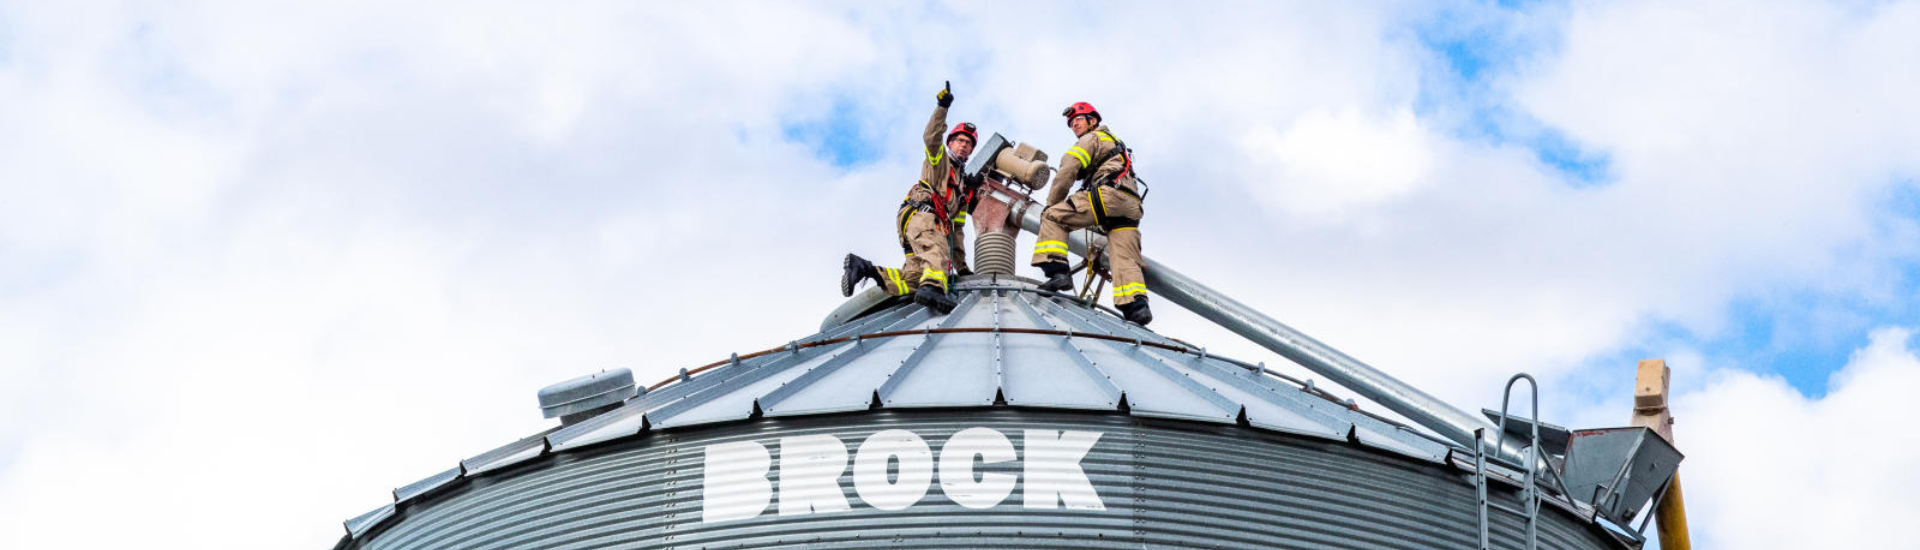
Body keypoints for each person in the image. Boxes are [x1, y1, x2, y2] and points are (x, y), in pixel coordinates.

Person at [840, 82, 980, 314]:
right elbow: (931, 137)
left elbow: (957, 231)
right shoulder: (940, 160)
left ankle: (864, 269)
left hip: (922, 222)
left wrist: (962, 268)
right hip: (923, 216)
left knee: (914, 277)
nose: (965, 146)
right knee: (937, 254)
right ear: (951, 142)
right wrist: (942, 108)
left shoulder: (961, 190)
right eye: (960, 140)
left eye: (969, 143)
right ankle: (934, 290)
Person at [1030, 101, 1152, 325]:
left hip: (1108, 197)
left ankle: (1057, 271)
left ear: (1092, 121)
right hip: (1131, 205)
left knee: (1053, 216)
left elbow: (1068, 168)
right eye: (1071, 124)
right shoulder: (1114, 142)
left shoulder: (1091, 138)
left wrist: (1052, 203)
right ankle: (1136, 307)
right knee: (1124, 255)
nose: (1074, 126)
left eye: (1078, 120)